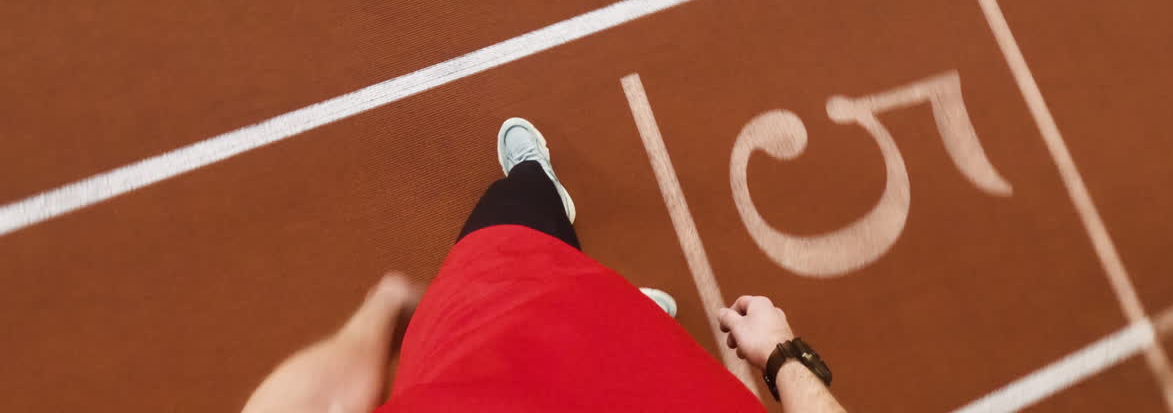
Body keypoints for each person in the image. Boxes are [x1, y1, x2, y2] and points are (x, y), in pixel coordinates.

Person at [242, 118, 846, 412]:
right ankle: (624, 314)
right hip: (650, 378)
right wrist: (781, 356)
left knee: (521, 207)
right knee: (624, 322)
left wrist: (383, 308)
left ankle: (541, 188)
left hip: (502, 332)